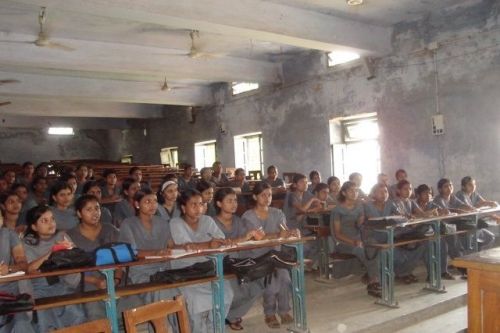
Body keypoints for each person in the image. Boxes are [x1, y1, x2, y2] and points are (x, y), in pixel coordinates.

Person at [169, 189, 233, 332]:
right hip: (186, 272)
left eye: (201, 204)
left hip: (209, 268)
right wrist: (209, 244)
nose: (199, 208)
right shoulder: (176, 223)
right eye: (193, 205)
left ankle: (215, 329)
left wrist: (221, 243)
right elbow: (188, 247)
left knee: (226, 292)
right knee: (196, 301)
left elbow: (220, 240)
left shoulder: (207, 220)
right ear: (184, 208)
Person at [118, 189, 180, 331]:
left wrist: (184, 246)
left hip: (164, 270)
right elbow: (131, 253)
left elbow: (171, 245)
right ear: (137, 204)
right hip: (140, 272)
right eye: (147, 202)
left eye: (154, 201)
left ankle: (178, 328)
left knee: (178, 292)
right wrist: (156, 252)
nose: (152, 205)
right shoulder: (128, 224)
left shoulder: (162, 222)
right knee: (160, 292)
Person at [242, 182, 298, 329]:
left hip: (276, 256)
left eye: (269, 195)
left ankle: (284, 310)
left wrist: (292, 233)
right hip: (257, 258)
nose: (267, 198)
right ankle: (270, 313)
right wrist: (278, 235)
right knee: (272, 283)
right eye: (263, 195)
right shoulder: (249, 216)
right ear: (255, 197)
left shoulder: (277, 213)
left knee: (285, 278)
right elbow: (258, 238)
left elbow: (284, 231)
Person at [23, 205, 86, 332]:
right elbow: (30, 269)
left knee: (76, 314)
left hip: (62, 284)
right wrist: (52, 252)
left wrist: (69, 251)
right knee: (45, 317)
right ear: (34, 227)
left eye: (52, 219)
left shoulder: (61, 236)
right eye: (44, 221)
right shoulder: (27, 243)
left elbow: (75, 261)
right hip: (38, 289)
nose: (51, 223)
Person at [212, 188, 263, 330]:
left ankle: (231, 315)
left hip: (240, 263)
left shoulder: (239, 221)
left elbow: (247, 243)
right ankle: (226, 316)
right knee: (234, 293)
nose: (234, 204)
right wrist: (243, 238)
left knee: (258, 286)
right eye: (229, 201)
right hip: (222, 265)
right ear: (219, 204)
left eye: (235, 200)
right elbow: (221, 245)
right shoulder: (212, 223)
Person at [67, 195, 122, 321]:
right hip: (85, 282)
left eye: (97, 208)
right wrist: (95, 281)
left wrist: (116, 280)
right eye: (89, 209)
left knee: (133, 302)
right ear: (79, 214)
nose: (95, 213)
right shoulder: (70, 236)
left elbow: (121, 260)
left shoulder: (110, 230)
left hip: (114, 278)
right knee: (93, 308)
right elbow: (70, 270)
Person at [364, 183, 427, 284]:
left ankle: (404, 272)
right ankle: (391, 273)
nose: (383, 194)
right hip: (374, 236)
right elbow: (366, 222)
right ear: (373, 194)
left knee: (420, 243)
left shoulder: (390, 203)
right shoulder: (367, 206)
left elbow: (400, 215)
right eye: (380, 192)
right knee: (395, 251)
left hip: (391, 234)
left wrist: (406, 217)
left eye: (385, 192)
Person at [331, 181, 381, 297]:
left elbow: (360, 225)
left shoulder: (359, 207)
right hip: (343, 242)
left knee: (374, 246)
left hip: (358, 238)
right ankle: (374, 281)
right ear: (344, 193)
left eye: (356, 190)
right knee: (360, 250)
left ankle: (371, 276)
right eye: (351, 191)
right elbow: (337, 234)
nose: (355, 193)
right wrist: (353, 242)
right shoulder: (337, 210)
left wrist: (363, 218)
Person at [0, 219, 35, 333]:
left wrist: (9, 268)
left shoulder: (9, 234)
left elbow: (23, 264)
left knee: (21, 323)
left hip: (8, 294)